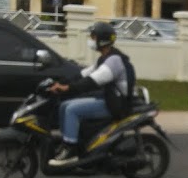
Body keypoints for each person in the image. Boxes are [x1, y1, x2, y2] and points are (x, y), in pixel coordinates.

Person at [47, 21, 133, 167]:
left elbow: (91, 81)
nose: (91, 41)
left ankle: (71, 150)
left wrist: (67, 88)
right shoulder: (105, 58)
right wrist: (59, 81)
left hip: (116, 104)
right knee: (64, 105)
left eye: (93, 38)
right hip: (108, 98)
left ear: (102, 40)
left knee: (72, 110)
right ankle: (68, 141)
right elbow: (83, 74)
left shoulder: (114, 61)